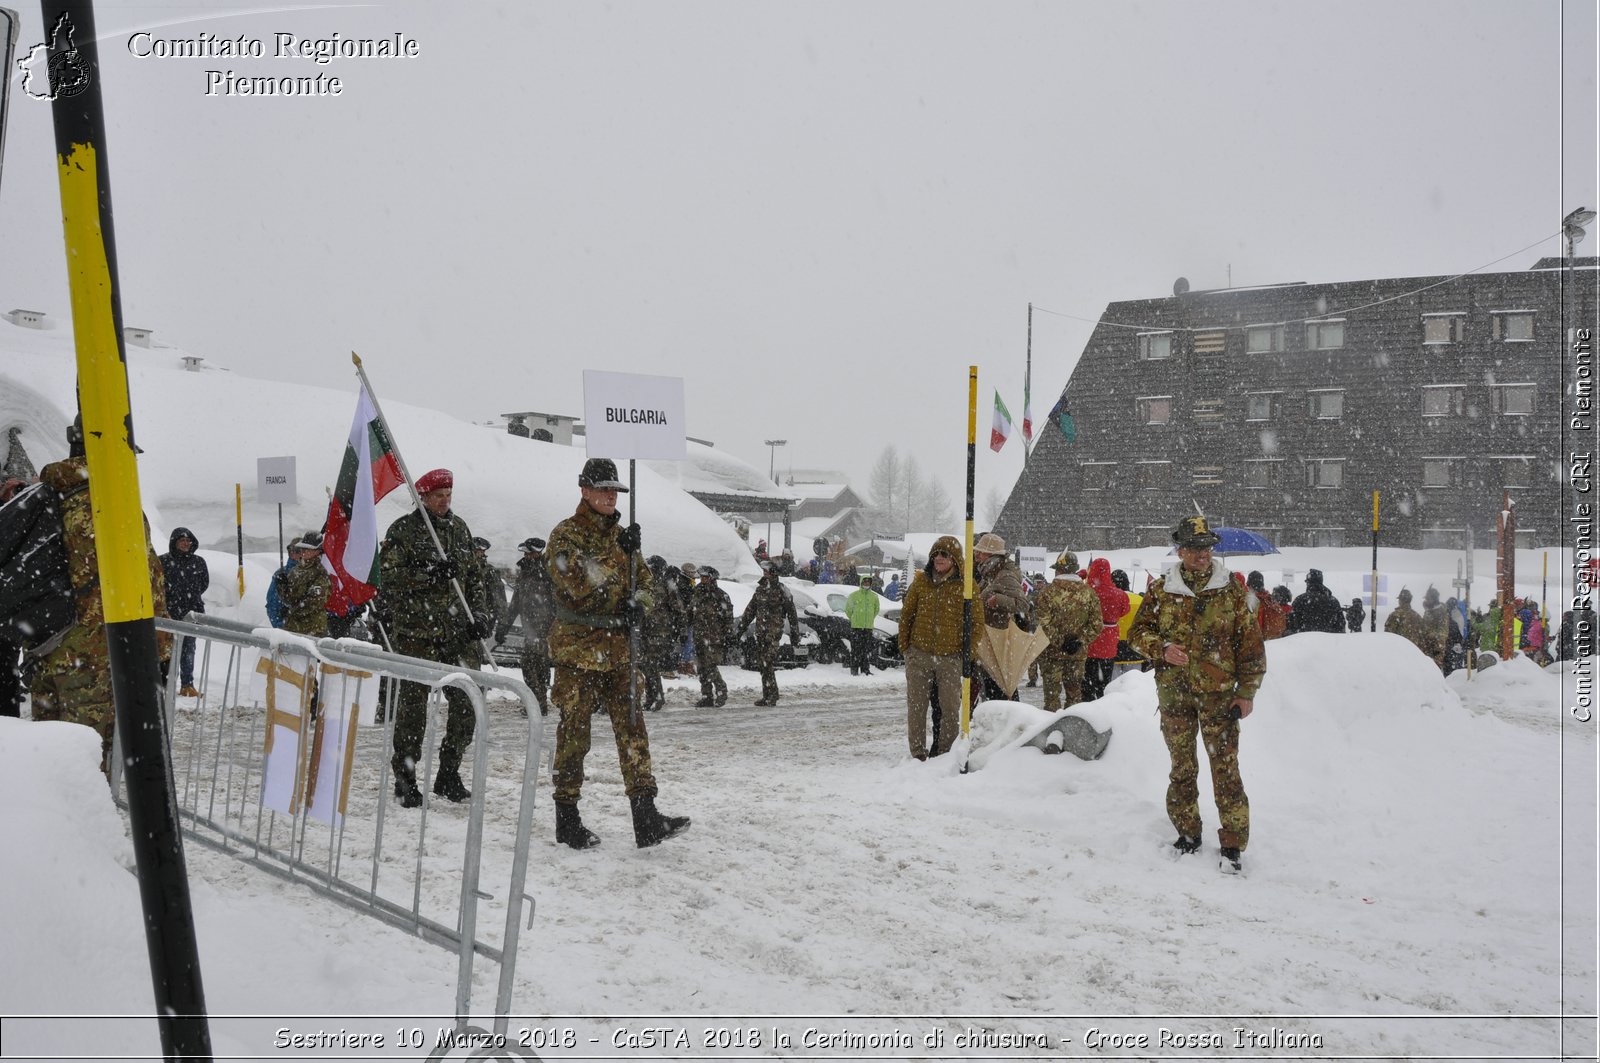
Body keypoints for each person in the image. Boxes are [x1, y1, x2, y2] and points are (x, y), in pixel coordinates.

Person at [545, 457, 688, 849]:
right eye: (603, 489)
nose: (610, 496)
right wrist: (617, 558)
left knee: (633, 731)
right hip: (579, 652)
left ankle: (646, 817)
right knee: (574, 735)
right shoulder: (565, 535)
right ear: (585, 491)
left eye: (614, 490)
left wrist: (638, 603)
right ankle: (567, 817)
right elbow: (579, 582)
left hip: (620, 651)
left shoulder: (622, 536)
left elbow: (645, 582)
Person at [28, 419, 170, 775]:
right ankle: (77, 829)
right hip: (92, 652)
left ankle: (43, 821)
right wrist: (161, 644)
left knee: (46, 752)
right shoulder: (109, 502)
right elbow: (143, 575)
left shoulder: (47, 494)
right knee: (88, 759)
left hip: (47, 643)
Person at [1127, 516, 1266, 875]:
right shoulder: (1162, 590)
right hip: (1175, 696)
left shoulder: (1232, 591)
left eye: (1206, 548)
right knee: (1182, 768)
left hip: (1220, 698)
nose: (1202, 554)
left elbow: (1251, 647)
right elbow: (1137, 633)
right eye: (1194, 548)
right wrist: (1162, 647)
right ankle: (1188, 833)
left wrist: (1247, 692)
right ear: (1181, 550)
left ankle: (1233, 844)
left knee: (1226, 771)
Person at [378, 468, 490, 808]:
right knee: (413, 710)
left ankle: (449, 772)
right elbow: (388, 577)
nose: (444, 501)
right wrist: (427, 574)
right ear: (423, 498)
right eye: (438, 496)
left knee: (469, 703)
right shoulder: (405, 530)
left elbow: (474, 578)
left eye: (448, 495)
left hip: (457, 635)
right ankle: (406, 778)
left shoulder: (460, 530)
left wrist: (480, 615)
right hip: (418, 634)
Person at [898, 535, 967, 759]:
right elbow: (907, 614)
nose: (938, 558)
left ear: (955, 559)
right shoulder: (921, 581)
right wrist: (905, 648)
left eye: (944, 554)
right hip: (919, 654)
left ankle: (946, 754)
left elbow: (975, 623)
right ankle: (917, 753)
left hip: (950, 657)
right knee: (917, 707)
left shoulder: (966, 586)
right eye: (935, 554)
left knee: (950, 710)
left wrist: (968, 654)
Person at [1033, 551, 1103, 712]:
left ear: (1058, 571)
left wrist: (1060, 641)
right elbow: (1097, 624)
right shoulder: (1089, 593)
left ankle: (1050, 730)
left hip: (1051, 653)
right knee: (1074, 696)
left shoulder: (1048, 592)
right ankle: (1073, 731)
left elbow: (1044, 623)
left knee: (1051, 698)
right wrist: (1079, 641)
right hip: (1077, 655)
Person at [498, 536, 555, 717]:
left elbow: (558, 602)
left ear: (537, 553)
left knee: (532, 665)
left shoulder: (549, 572)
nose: (526, 556)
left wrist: (554, 628)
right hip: (530, 629)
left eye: (529, 553)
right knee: (535, 666)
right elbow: (515, 603)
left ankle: (538, 704)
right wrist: (503, 627)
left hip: (544, 629)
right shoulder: (525, 572)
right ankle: (538, 703)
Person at [735, 561, 801, 706]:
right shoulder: (760, 590)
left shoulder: (782, 590)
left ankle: (772, 695)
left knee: (768, 662)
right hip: (761, 632)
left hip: (773, 632)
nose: (764, 574)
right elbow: (750, 611)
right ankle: (768, 695)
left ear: (773, 573)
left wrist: (795, 635)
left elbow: (792, 614)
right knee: (763, 664)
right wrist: (739, 630)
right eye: (764, 571)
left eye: (767, 571)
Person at [972, 532, 1029, 700]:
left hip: (998, 640)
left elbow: (1023, 605)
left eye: (981, 552)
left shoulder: (1004, 576)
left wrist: (998, 600)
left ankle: (1005, 717)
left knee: (999, 687)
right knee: (992, 685)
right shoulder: (989, 574)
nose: (977, 555)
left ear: (991, 555)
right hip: (989, 640)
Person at [160, 526, 210, 696]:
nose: (185, 544)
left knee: (189, 649)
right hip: (169, 613)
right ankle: (164, 685)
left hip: (191, 613)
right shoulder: (163, 561)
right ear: (174, 542)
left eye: (188, 541)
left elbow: (204, 584)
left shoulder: (199, 562)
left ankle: (187, 685)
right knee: (167, 650)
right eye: (182, 540)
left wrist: (191, 598)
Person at [1083, 557, 1128, 700]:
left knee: (1088, 680)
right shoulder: (1119, 594)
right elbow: (1124, 610)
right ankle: (1103, 704)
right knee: (1105, 682)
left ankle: (1088, 706)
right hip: (1109, 641)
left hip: (1090, 639)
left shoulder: (1087, 591)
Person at [688, 565, 733, 707]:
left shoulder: (720, 595)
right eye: (701, 577)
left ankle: (721, 690)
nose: (703, 579)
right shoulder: (696, 592)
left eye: (706, 577)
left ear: (712, 578)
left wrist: (727, 635)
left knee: (710, 666)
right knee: (701, 668)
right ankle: (706, 695)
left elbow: (728, 617)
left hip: (714, 637)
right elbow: (690, 611)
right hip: (699, 635)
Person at [279, 534, 331, 637]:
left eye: (307, 549)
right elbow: (289, 598)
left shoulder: (320, 572)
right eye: (302, 548)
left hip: (312, 628)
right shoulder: (296, 570)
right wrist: (282, 587)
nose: (302, 551)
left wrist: (293, 610)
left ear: (317, 551)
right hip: (292, 627)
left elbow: (315, 602)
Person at [1287, 569, 1346, 634]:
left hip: (1302, 641)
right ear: (1321, 581)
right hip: (1329, 641)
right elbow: (1341, 626)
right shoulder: (1333, 601)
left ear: (1308, 583)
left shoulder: (1299, 600)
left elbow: (1290, 626)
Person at [473, 536, 508, 640]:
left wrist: (502, 624)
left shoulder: (490, 572)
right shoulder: (465, 568)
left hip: (483, 619)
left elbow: (500, 600)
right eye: (475, 550)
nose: (476, 553)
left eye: (479, 551)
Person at [845, 574, 880, 676]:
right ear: (861, 583)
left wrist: (869, 619)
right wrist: (854, 618)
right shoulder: (854, 595)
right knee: (856, 650)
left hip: (868, 627)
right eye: (864, 582)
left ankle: (865, 670)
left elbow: (876, 610)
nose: (866, 584)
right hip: (856, 627)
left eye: (868, 582)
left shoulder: (874, 596)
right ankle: (854, 670)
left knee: (866, 650)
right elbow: (848, 610)